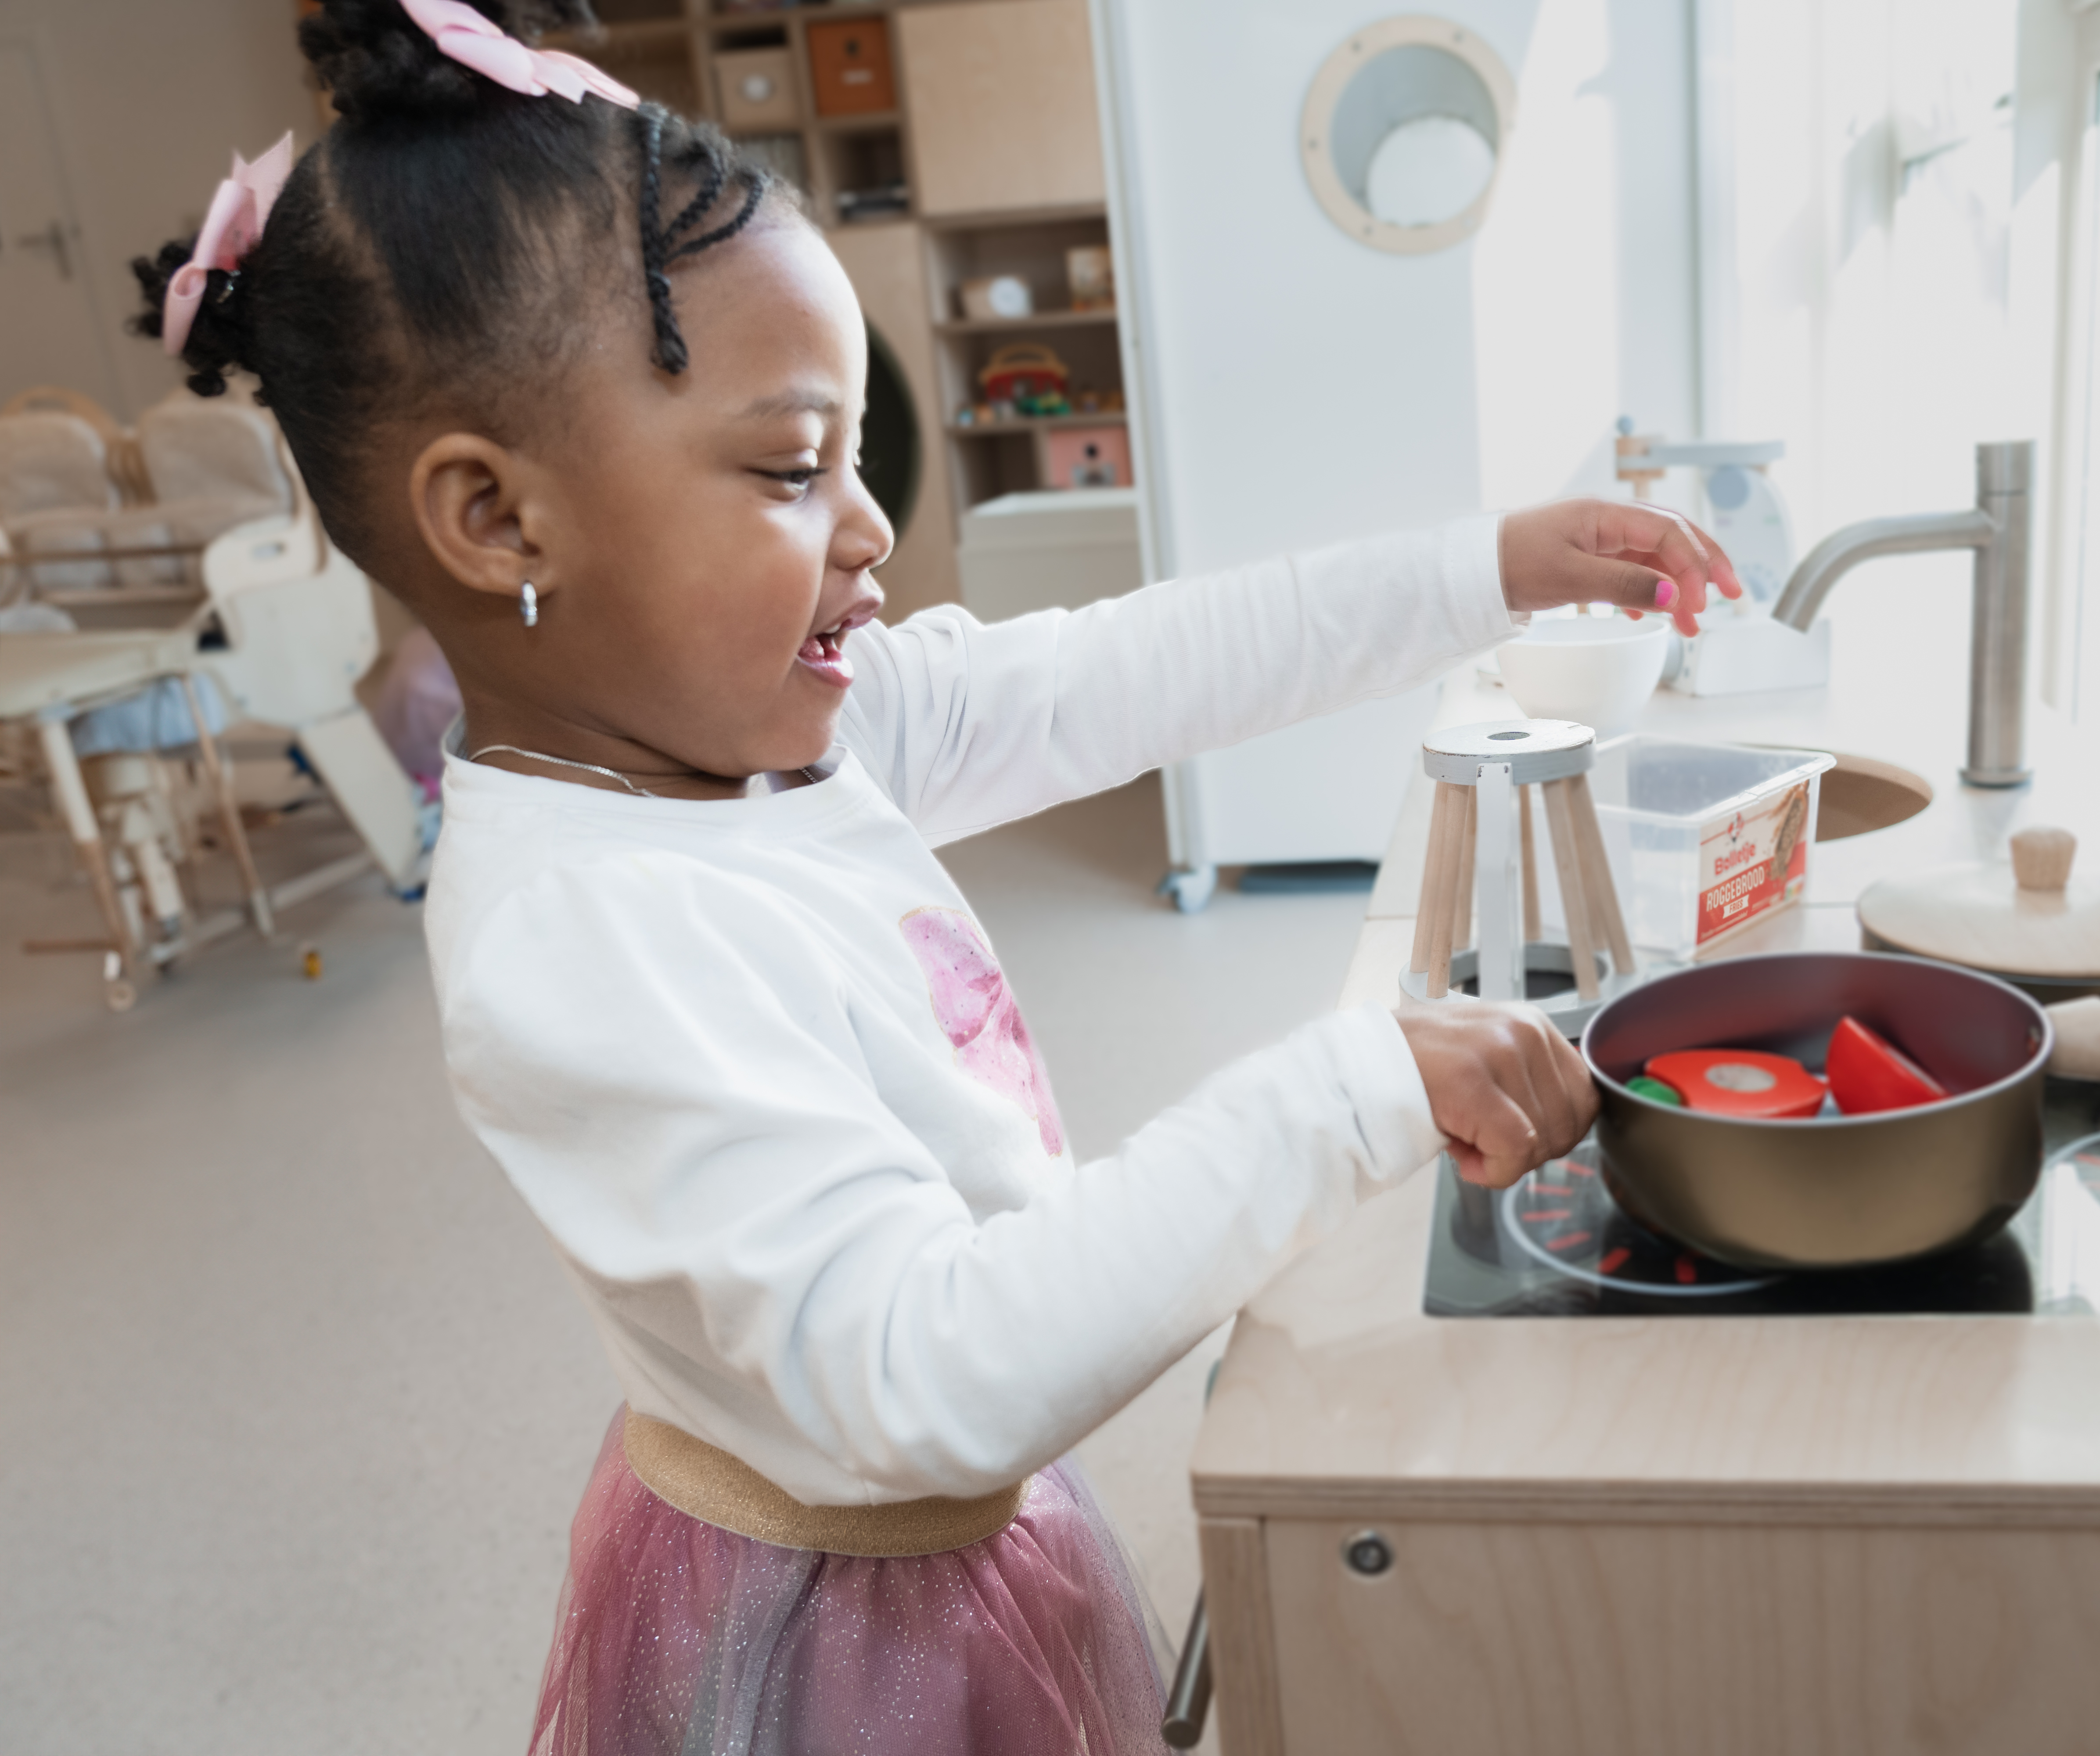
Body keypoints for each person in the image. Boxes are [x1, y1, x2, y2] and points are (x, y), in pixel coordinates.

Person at [135, 4, 1743, 1750]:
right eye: (786, 465)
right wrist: (1356, 1086)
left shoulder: (787, 734)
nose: (869, 525)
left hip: (955, 1536)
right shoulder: (581, 934)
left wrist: (1480, 568)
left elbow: (1127, 669)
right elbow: (919, 1377)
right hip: (843, 1630)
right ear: (501, 520)